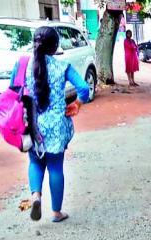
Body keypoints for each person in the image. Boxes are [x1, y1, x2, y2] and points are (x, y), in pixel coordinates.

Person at [15, 26, 90, 223]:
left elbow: (13, 91)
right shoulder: (63, 66)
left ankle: (35, 196)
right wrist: (77, 103)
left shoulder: (23, 65)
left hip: (32, 125)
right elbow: (83, 88)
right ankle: (56, 212)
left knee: (35, 163)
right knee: (55, 168)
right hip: (57, 125)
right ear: (55, 46)